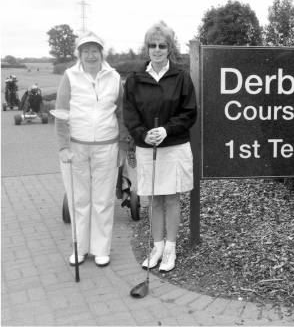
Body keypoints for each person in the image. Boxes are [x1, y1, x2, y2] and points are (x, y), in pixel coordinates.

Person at [123, 21, 197, 273]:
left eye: (162, 45)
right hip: (148, 147)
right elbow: (130, 115)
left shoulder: (181, 77)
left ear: (169, 48)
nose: (156, 49)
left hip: (174, 145)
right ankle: (156, 246)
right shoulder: (134, 79)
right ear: (147, 48)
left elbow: (189, 113)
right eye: (152, 45)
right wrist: (144, 134)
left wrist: (166, 129)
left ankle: (170, 248)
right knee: (154, 199)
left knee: (172, 199)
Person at [55, 31, 128, 267]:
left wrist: (123, 145)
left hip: (107, 146)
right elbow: (61, 114)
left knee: (104, 200)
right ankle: (80, 248)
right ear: (79, 54)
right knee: (79, 200)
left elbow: (122, 114)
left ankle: (101, 249)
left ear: (101, 52)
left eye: (94, 50)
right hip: (76, 147)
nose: (90, 54)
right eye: (85, 50)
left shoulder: (114, 77)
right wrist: (63, 146)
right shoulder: (70, 76)